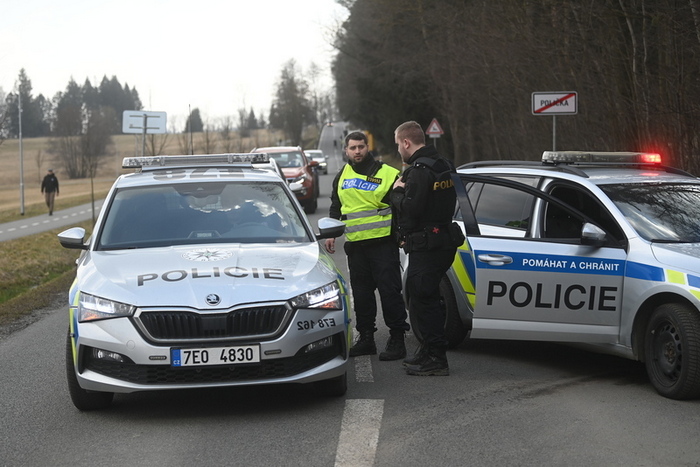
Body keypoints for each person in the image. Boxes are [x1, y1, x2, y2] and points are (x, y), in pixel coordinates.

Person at [325, 131, 410, 361]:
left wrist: (402, 234)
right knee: (362, 295)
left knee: (389, 292)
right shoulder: (342, 175)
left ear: (367, 147)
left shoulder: (388, 173)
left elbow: (403, 208)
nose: (357, 151)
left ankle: (397, 338)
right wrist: (331, 233)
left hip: (383, 244)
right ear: (346, 150)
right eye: (352, 148)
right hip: (356, 247)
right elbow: (336, 205)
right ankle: (366, 338)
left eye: (361, 147)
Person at [391, 121, 462, 376]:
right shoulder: (444, 164)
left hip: (427, 244)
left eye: (399, 144)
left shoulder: (420, 171)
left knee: (424, 299)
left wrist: (396, 193)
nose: (398, 149)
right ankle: (427, 350)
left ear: (407, 142)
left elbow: (412, 208)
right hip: (442, 240)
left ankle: (436, 357)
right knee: (425, 297)